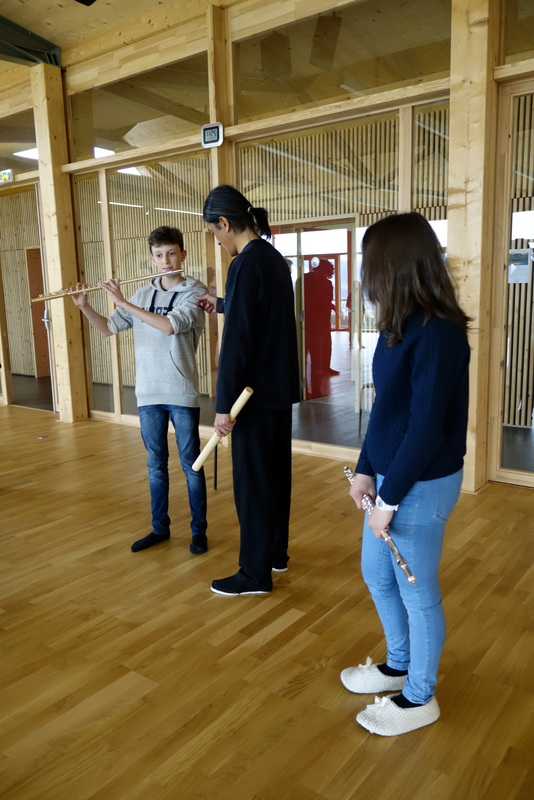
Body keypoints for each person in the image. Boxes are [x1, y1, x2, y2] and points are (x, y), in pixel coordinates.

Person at [341, 212, 471, 736]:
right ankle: (398, 665)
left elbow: (425, 427)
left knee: (417, 590)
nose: (364, 274)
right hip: (391, 478)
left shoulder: (439, 332)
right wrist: (365, 471)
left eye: (369, 262)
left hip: (422, 483)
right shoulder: (397, 325)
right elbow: (387, 410)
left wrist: (390, 499)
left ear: (393, 265)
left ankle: (420, 696)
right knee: (377, 574)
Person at [71, 226, 209, 555]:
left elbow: (169, 326)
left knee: (191, 465)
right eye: (159, 255)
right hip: (148, 392)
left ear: (183, 254)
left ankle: (198, 531)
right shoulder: (142, 294)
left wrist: (121, 301)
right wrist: (84, 306)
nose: (166, 260)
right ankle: (160, 528)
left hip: (181, 391)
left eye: (171, 253)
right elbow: (108, 328)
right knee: (155, 466)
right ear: (152, 258)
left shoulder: (195, 291)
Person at [196, 185, 300, 596]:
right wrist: (222, 303)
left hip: (249, 397)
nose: (218, 242)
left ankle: (254, 574)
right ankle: (275, 554)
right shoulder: (273, 259)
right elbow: (262, 315)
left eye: (214, 233)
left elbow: (237, 339)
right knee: (275, 477)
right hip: (276, 391)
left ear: (225, 223)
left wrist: (224, 406)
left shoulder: (243, 263)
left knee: (252, 484)